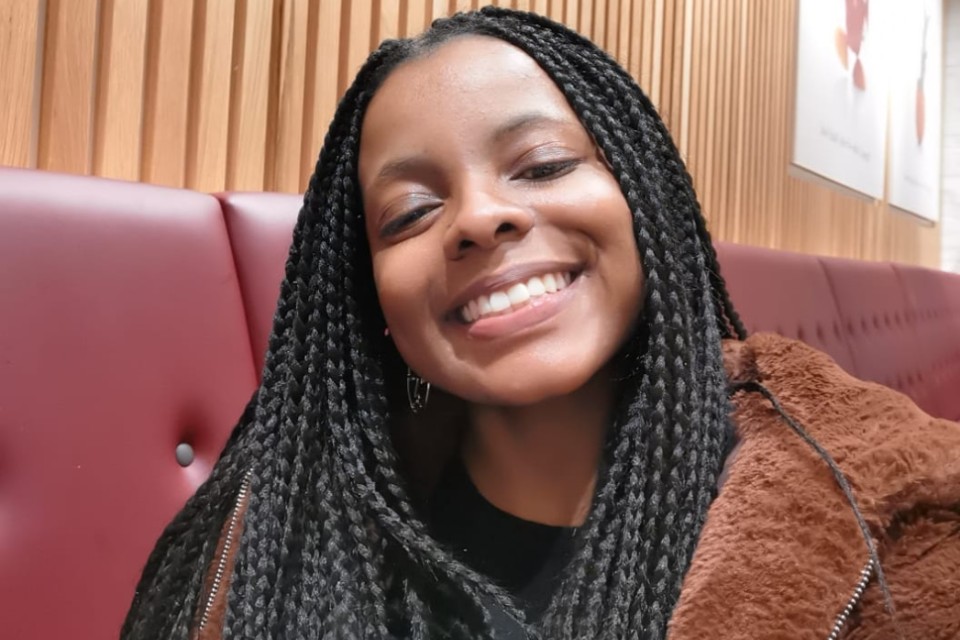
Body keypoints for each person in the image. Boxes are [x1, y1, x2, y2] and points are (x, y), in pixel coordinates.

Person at [122, 7, 960, 640]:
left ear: (644, 195)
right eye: (410, 212)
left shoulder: (891, 517)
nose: (479, 219)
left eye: (545, 165)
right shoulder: (276, 531)